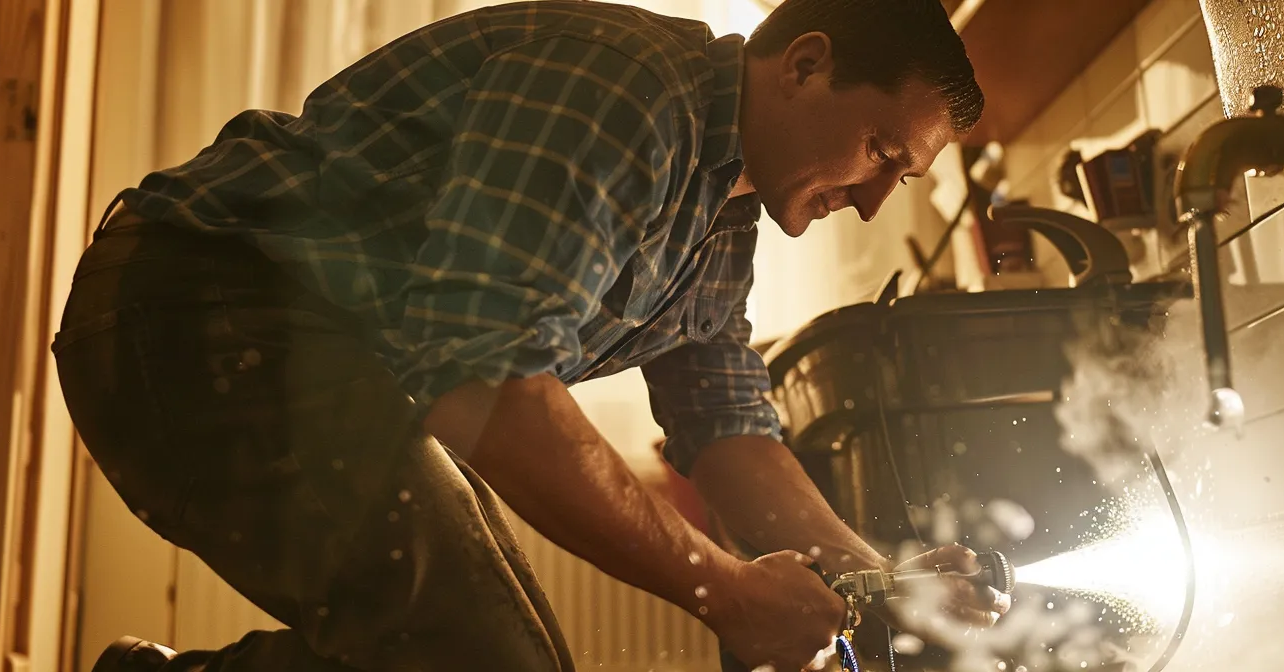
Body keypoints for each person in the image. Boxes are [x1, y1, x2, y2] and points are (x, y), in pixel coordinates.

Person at [55, 1, 1005, 670]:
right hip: (193, 306)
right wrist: (725, 589)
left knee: (479, 656)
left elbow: (725, 427)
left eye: (904, 178)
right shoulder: (630, 87)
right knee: (483, 658)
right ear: (805, 63)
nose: (879, 202)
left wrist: (881, 581)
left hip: (291, 346)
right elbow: (484, 378)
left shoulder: (722, 215)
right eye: (882, 151)